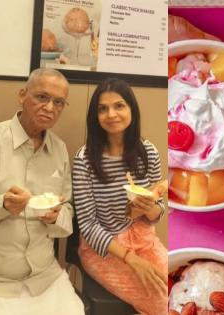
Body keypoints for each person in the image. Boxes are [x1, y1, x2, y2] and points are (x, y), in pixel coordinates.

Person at [0, 68, 84, 315]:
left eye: (58, 102)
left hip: (45, 278)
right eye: (42, 97)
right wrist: (1, 205)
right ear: (22, 95)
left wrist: (55, 216)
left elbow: (67, 212)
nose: (50, 107)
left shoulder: (59, 150)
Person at [72, 77, 167, 315]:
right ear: (95, 116)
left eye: (119, 106)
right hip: (103, 248)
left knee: (174, 288)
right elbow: (87, 225)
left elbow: (157, 213)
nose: (111, 114)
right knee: (159, 301)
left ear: (131, 110)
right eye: (102, 109)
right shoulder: (84, 160)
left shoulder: (148, 153)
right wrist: (132, 260)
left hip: (143, 241)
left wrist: (149, 207)